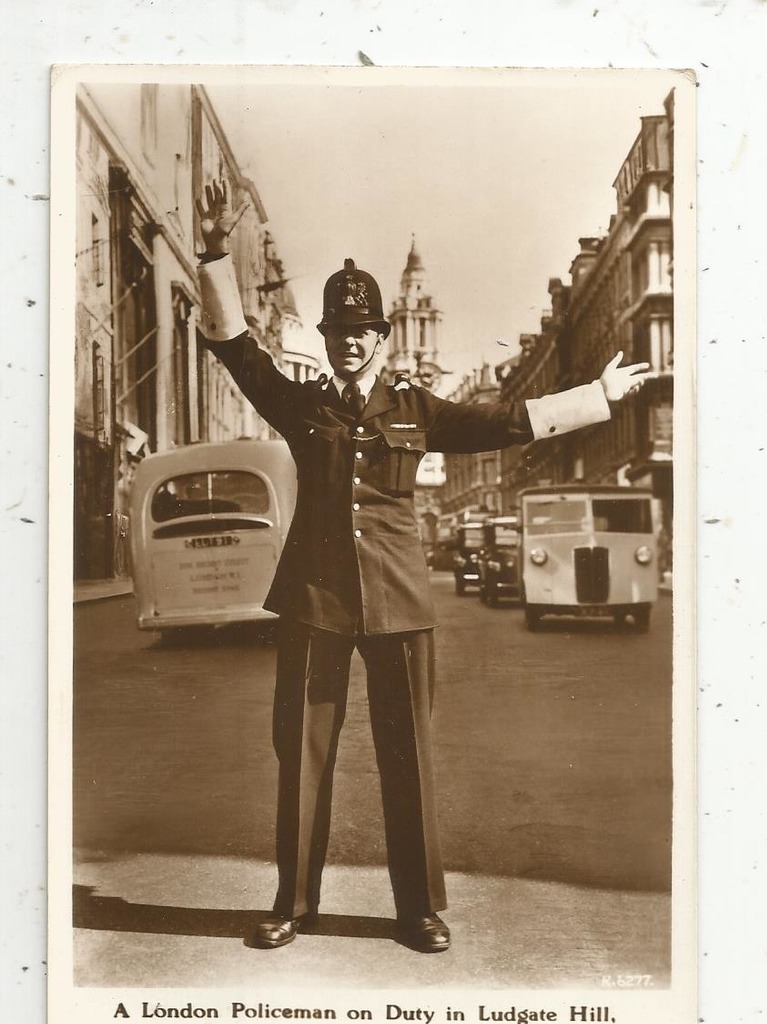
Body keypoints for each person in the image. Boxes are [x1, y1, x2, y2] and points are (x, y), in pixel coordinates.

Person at [195, 180, 650, 953]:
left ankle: (417, 909)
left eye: (360, 329)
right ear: (328, 334)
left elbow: (506, 420)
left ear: (380, 335)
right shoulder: (302, 401)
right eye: (336, 329)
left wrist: (597, 398)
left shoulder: (415, 408)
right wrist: (210, 256)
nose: (347, 341)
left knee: (407, 754)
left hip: (400, 601)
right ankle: (291, 901)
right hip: (313, 598)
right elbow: (238, 353)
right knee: (301, 751)